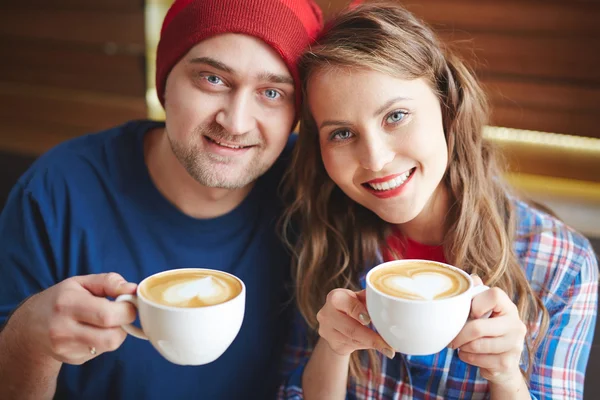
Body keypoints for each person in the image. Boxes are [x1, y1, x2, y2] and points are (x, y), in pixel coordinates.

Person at [0, 0, 322, 399]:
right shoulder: (56, 191)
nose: (235, 123)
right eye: (212, 79)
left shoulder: (314, 190)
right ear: (164, 82)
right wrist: (29, 343)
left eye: (272, 92)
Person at [279, 2, 598, 399]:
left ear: (447, 108)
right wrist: (333, 347)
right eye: (341, 133)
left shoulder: (562, 264)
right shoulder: (320, 232)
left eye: (395, 116)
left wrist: (507, 379)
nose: (375, 159)